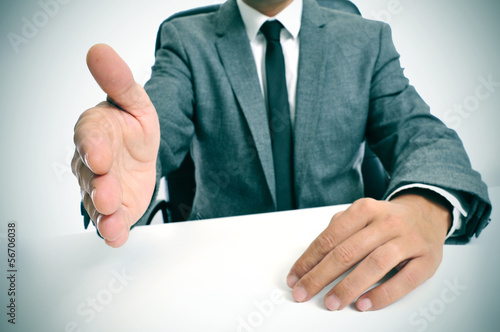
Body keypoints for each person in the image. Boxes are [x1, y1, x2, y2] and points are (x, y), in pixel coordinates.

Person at [71, 0, 491, 312]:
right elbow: (156, 128)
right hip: (222, 279)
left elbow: (419, 132)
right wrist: (117, 158)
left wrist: (429, 205)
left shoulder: (367, 40)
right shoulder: (186, 41)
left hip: (344, 280)